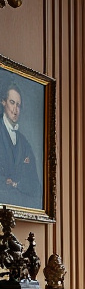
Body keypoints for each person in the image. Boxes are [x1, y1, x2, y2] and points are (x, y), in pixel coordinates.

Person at [1, 81, 43, 209]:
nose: (15, 110)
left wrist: (15, 184)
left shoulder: (25, 144)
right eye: (12, 102)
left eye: (18, 105)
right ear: (3, 102)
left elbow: (36, 188)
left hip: (21, 208)